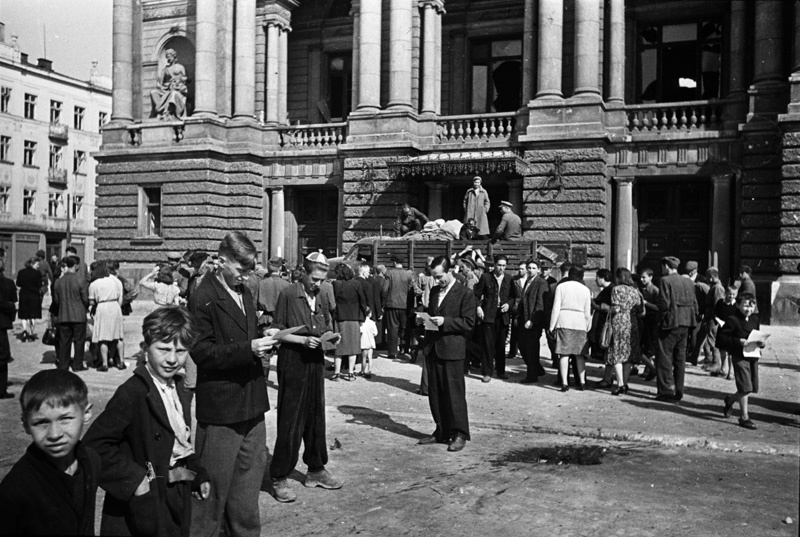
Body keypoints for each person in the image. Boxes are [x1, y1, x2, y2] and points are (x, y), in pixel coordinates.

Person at [84, 306, 211, 536]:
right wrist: (136, 481)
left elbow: (178, 440)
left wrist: (195, 472)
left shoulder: (179, 388)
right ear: (145, 349)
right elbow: (94, 446)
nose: (172, 359)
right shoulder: (133, 392)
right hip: (142, 503)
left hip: (173, 496)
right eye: (163, 349)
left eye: (181, 351)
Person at [189, 232, 276, 537]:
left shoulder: (246, 292)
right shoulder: (203, 296)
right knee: (211, 493)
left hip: (252, 403)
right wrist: (248, 349)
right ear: (221, 261)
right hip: (222, 408)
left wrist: (268, 340)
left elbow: (246, 335)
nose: (246, 276)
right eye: (241, 270)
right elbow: (201, 352)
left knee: (247, 495)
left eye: (250, 270)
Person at [270, 252, 343, 502]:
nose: (318, 284)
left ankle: (316, 469)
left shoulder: (322, 294)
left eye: (322, 280)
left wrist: (331, 337)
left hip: (315, 361)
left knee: (315, 416)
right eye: (314, 279)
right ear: (303, 272)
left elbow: (325, 325)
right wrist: (302, 339)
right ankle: (279, 476)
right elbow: (275, 332)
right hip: (293, 361)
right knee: (291, 419)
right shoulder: (289, 293)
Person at [0, 370, 100, 535]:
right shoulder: (15, 490)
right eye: (41, 422)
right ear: (25, 424)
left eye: (65, 419)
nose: (55, 434)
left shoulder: (91, 461)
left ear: (86, 413)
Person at [417, 256, 476, 452]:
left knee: (454, 394)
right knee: (435, 393)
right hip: (434, 347)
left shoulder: (465, 293)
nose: (437, 281)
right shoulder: (434, 291)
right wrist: (423, 321)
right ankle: (441, 430)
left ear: (450, 271)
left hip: (452, 349)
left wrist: (445, 322)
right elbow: (433, 318)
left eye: (440, 277)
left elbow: (468, 322)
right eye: (434, 277)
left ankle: (459, 433)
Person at [717, 293, 765, 430]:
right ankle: (744, 417)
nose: (748, 309)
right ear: (737, 305)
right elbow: (721, 338)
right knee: (745, 388)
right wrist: (738, 342)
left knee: (751, 387)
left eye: (751, 306)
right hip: (739, 357)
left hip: (753, 356)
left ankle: (730, 400)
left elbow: (757, 335)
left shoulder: (755, 319)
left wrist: (761, 343)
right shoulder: (733, 320)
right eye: (745, 305)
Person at [655, 256, 699, 402]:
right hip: (686, 323)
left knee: (664, 357)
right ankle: (679, 391)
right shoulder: (688, 281)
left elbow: (664, 305)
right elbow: (695, 304)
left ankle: (666, 391)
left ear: (666, 266)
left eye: (662, 267)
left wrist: (660, 321)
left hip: (670, 324)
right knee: (680, 358)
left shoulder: (665, 281)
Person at [549, 266, 592, 391]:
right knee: (579, 355)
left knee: (564, 354)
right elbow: (587, 311)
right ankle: (583, 382)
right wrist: (587, 326)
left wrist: (552, 325)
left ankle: (564, 383)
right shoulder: (585, 289)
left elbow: (556, 308)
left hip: (564, 321)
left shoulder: (561, 287)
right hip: (579, 323)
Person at [473, 254, 515, 382]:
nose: (501, 268)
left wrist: (508, 304)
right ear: (494, 265)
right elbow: (475, 295)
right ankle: (487, 372)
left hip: (503, 317)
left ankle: (501, 371)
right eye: (499, 265)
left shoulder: (509, 279)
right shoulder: (486, 278)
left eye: (503, 266)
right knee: (487, 345)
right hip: (488, 316)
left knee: (501, 345)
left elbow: (514, 297)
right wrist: (478, 307)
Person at [607, 268, 643, 396]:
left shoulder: (616, 290)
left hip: (619, 321)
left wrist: (608, 309)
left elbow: (615, 308)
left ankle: (620, 384)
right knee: (628, 354)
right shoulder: (634, 291)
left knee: (616, 353)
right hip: (631, 322)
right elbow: (639, 308)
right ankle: (625, 383)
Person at [52, 256, 89, 372]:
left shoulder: (58, 281)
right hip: (79, 315)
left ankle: (63, 365)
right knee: (79, 341)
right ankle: (78, 365)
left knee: (64, 341)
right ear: (76, 265)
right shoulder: (80, 280)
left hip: (64, 315)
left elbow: (56, 301)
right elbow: (85, 299)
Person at [331, 263, 367, 381]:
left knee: (339, 347)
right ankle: (351, 372)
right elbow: (363, 301)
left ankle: (337, 373)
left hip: (340, 318)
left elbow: (332, 302)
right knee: (352, 347)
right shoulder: (357, 284)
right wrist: (362, 318)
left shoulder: (335, 284)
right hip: (354, 319)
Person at [88, 261, 125, 371]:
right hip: (115, 306)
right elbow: (120, 297)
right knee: (117, 336)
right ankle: (120, 361)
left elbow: (91, 302)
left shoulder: (94, 284)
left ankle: (104, 363)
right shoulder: (116, 281)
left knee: (103, 337)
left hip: (102, 307)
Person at [518, 260, 549, 383]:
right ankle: (537, 369)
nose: (530, 270)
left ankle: (532, 376)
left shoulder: (541, 283)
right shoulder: (528, 281)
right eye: (529, 268)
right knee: (522, 346)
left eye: (533, 268)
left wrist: (532, 320)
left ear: (538, 270)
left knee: (531, 349)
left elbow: (539, 304)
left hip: (533, 321)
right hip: (523, 319)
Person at [384, 256, 415, 360]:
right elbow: (412, 292)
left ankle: (392, 352)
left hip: (391, 304)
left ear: (395, 262)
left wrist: (384, 303)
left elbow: (385, 289)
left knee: (392, 329)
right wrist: (411, 306)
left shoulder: (389, 273)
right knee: (404, 328)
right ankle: (404, 349)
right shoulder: (408, 274)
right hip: (404, 305)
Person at [591, 269, 614, 387]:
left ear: (602, 278)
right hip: (605, 323)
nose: (595, 280)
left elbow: (611, 308)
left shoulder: (610, 290)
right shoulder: (607, 289)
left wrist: (596, 306)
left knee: (608, 351)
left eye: (597, 277)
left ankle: (608, 378)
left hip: (608, 325)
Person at [151, 48, 188, 120]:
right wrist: (160, 86)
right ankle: (160, 111)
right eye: (167, 57)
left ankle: (167, 112)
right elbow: (160, 83)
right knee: (153, 92)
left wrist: (180, 80)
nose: (168, 58)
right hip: (166, 89)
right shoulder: (165, 69)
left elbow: (185, 78)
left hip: (177, 89)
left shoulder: (180, 67)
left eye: (170, 56)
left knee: (173, 93)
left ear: (174, 56)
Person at [701, 267, 726, 374]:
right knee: (710, 339)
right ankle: (712, 361)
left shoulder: (717, 288)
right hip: (710, 317)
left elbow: (718, 304)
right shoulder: (715, 287)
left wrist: (713, 317)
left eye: (707, 277)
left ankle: (716, 363)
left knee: (713, 340)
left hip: (713, 319)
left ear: (711, 277)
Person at [711, 285, 738, 380]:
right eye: (730, 294)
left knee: (731, 351)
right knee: (723, 350)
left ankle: (731, 373)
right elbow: (714, 314)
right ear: (725, 293)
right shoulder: (720, 303)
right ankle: (724, 369)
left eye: (734, 294)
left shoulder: (736, 305)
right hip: (722, 329)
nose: (731, 296)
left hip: (732, 331)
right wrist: (718, 321)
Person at [638, 268, 659, 381]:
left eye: (644, 277)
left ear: (650, 277)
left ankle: (649, 368)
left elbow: (658, 307)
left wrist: (646, 303)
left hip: (651, 321)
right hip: (643, 320)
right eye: (641, 277)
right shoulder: (642, 289)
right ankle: (648, 368)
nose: (642, 279)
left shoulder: (654, 290)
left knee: (650, 345)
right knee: (644, 344)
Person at [257, 257, 291, 328]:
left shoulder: (261, 283)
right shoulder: (287, 284)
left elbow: (255, 304)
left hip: (265, 320)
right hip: (281, 320)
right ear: (280, 267)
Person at [0, 257, 17, 398]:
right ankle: (1, 389)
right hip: (1, 323)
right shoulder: (7, 283)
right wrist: (12, 310)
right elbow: (9, 303)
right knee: (3, 355)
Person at [16, 257, 43, 342]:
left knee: (24, 315)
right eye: (37, 264)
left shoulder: (21, 272)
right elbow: (39, 284)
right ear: (32, 263)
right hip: (34, 295)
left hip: (24, 295)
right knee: (33, 315)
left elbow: (18, 283)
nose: (38, 266)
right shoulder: (37, 273)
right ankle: (31, 333)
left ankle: (24, 331)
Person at [507, 260, 529, 360]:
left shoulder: (530, 280)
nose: (520, 271)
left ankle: (525, 350)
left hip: (526, 307)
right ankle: (512, 351)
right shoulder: (514, 280)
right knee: (514, 329)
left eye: (522, 269)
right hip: (516, 306)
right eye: (519, 269)